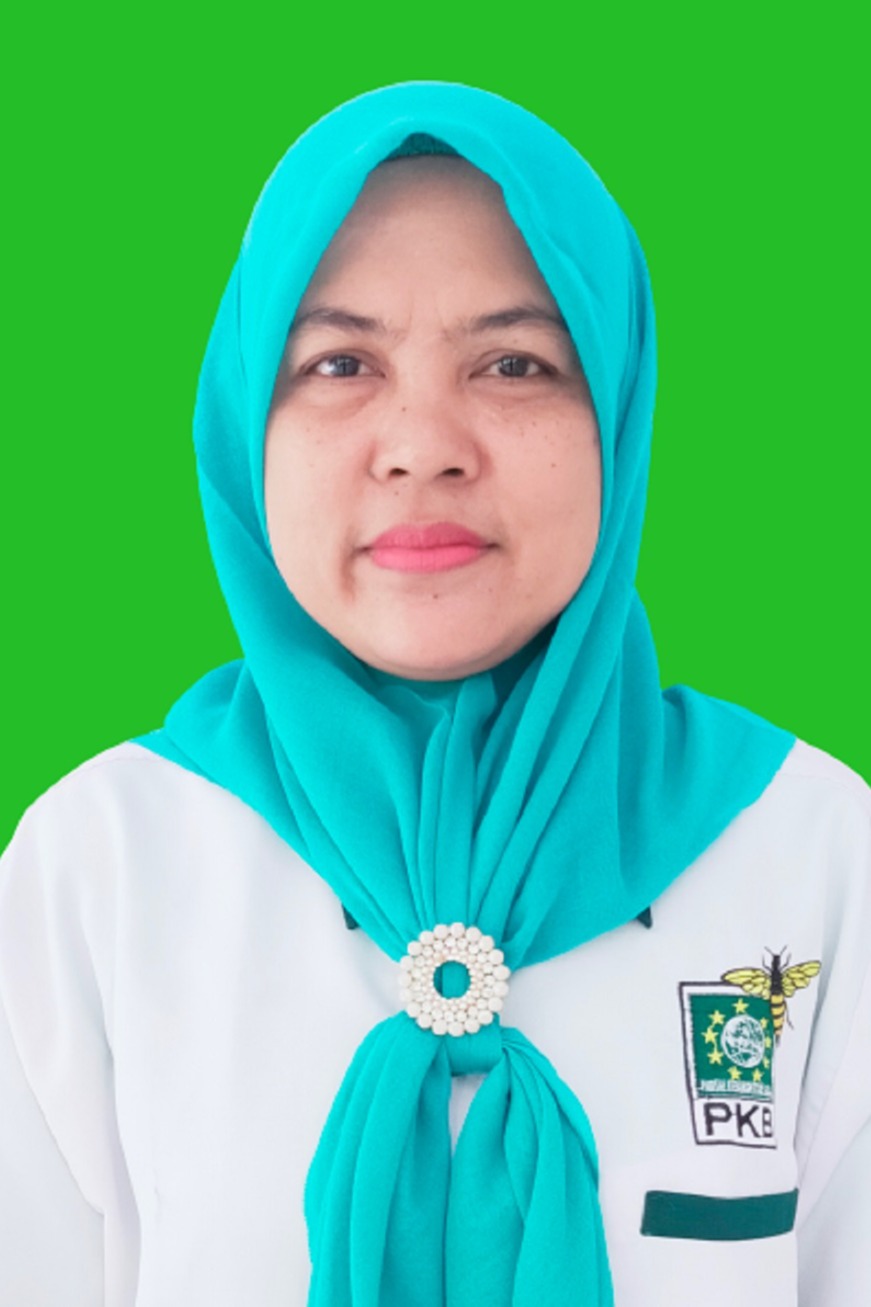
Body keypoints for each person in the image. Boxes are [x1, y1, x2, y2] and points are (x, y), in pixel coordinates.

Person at [0, 80, 868, 1307]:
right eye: (339, 362)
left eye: (513, 362)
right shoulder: (100, 864)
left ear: (615, 411)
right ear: (246, 424)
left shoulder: (808, 848)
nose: (422, 444)